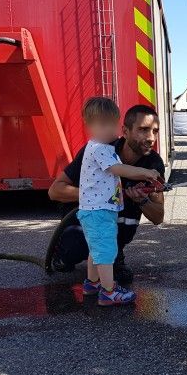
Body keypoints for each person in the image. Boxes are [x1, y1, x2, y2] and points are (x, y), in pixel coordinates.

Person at [47, 104, 166, 285]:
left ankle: (112, 257)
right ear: (125, 131)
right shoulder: (101, 150)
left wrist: (142, 200)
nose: (151, 138)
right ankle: (63, 255)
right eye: (143, 130)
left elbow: (158, 216)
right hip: (87, 223)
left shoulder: (153, 164)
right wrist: (98, 195)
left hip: (113, 229)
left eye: (155, 131)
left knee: (122, 275)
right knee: (77, 243)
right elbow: (55, 191)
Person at [75, 97, 160, 306]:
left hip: (94, 210)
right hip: (100, 210)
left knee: (95, 249)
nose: (111, 130)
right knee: (105, 251)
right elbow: (118, 169)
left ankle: (92, 283)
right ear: (89, 126)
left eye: (113, 124)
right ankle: (108, 291)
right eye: (104, 125)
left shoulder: (93, 146)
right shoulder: (101, 149)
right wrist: (144, 172)